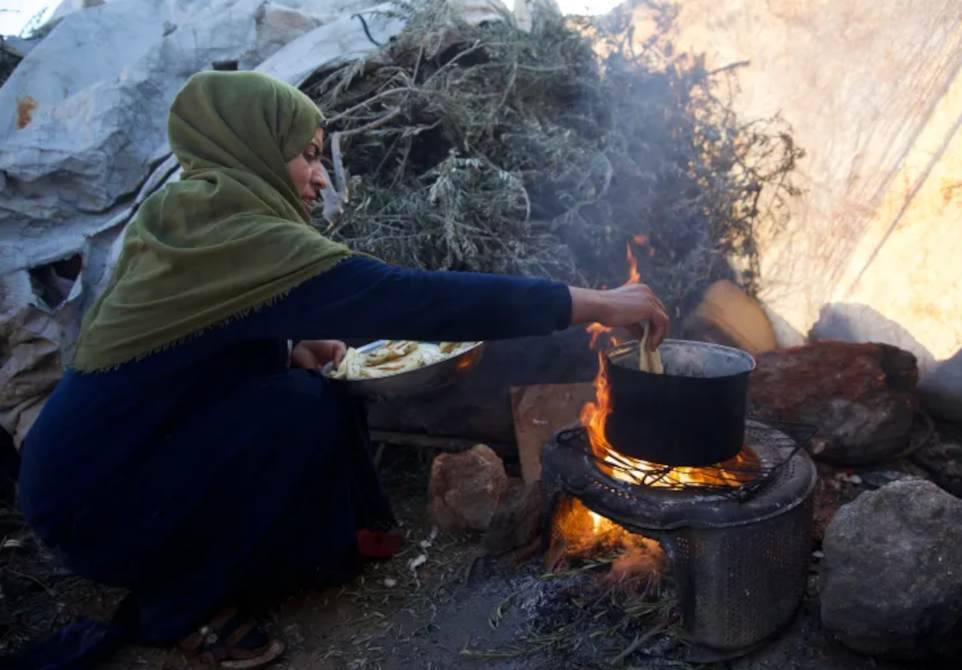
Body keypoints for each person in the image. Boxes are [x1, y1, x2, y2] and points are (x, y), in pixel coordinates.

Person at [13, 71, 668, 668]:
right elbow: (416, 301)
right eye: (306, 155)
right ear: (253, 148)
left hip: (89, 476)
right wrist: (597, 303)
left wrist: (288, 347)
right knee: (297, 410)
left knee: (301, 391)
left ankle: (254, 554)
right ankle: (176, 606)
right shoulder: (236, 235)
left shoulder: (189, 216)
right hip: (97, 505)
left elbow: (188, 346)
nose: (321, 178)